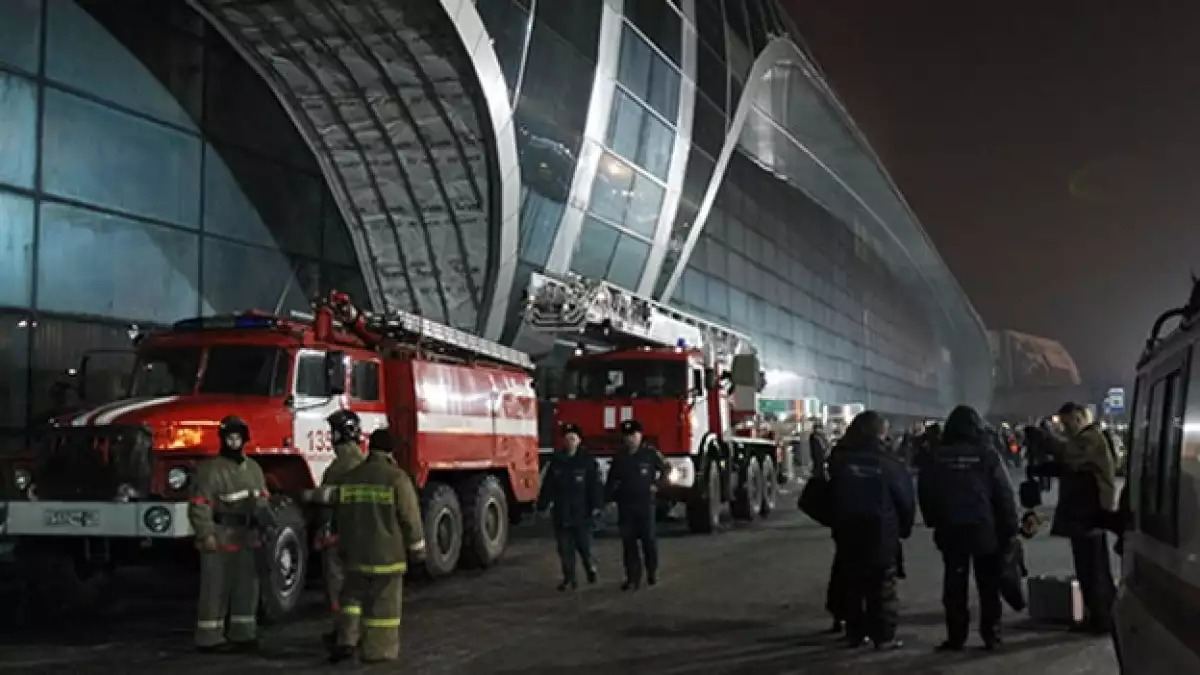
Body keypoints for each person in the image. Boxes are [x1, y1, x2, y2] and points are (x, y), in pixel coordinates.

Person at [918, 405, 1018, 651]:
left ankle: (956, 636)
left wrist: (934, 519)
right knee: (988, 585)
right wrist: (1010, 527)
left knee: (954, 584)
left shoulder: (937, 456)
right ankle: (991, 635)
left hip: (951, 528)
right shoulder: (987, 454)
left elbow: (926, 491)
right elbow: (1004, 494)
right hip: (983, 528)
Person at [329, 429, 426, 663]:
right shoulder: (396, 478)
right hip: (386, 557)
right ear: (391, 451)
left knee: (351, 599)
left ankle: (346, 640)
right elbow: (410, 518)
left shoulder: (350, 478)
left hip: (354, 555)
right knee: (383, 606)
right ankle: (378, 651)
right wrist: (418, 551)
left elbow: (339, 516)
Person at [828, 411, 915, 650]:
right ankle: (883, 637)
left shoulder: (841, 458)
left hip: (847, 531)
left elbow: (830, 493)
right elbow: (905, 499)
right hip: (881, 531)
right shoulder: (889, 462)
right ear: (879, 433)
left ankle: (855, 634)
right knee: (882, 586)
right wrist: (904, 528)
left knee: (853, 583)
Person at [1032, 402, 1118, 634]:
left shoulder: (1090, 438)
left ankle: (1103, 619)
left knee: (1094, 569)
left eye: (1068, 423)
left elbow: (1067, 455)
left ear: (1080, 418)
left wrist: (1045, 437)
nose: (1066, 429)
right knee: (1087, 568)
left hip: (1090, 514)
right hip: (1083, 513)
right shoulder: (1084, 439)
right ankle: (1097, 615)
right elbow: (1070, 466)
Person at [187, 415, 270, 653]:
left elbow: (263, 499)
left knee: (247, 587)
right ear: (223, 439)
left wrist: (264, 524)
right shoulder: (210, 470)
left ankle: (243, 633)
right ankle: (209, 637)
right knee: (215, 588)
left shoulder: (253, 468)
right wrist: (206, 534)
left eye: (237, 437)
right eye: (229, 437)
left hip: (247, 536)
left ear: (244, 440)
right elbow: (199, 504)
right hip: (221, 536)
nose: (234, 442)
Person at [538, 423, 603, 590]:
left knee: (583, 546)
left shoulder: (588, 461)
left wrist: (596, 506)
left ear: (579, 440)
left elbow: (595, 485)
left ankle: (590, 568)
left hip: (582, 512)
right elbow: (548, 485)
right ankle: (569, 578)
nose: (569, 442)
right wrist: (542, 504)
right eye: (567, 439)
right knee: (564, 549)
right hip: (562, 512)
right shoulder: (557, 461)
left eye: (573, 438)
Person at [605, 419, 668, 591]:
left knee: (648, 540)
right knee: (628, 543)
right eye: (627, 436)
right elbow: (612, 480)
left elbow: (666, 470)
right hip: (626, 505)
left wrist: (657, 485)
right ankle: (632, 577)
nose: (630, 439)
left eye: (633, 435)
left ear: (640, 436)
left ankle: (651, 572)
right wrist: (608, 499)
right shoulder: (620, 457)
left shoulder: (650, 454)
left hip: (645, 504)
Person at [318, 411, 366, 627]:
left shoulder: (338, 468)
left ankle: (342, 632)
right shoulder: (364, 462)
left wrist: (325, 533)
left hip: (340, 536)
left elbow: (328, 505)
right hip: (363, 535)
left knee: (338, 586)